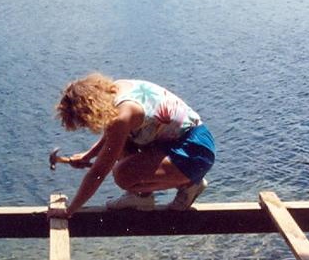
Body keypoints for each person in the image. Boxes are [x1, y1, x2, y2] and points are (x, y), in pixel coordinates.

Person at [50, 74, 215, 217]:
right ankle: (142, 197)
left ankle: (189, 185)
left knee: (122, 174)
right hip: (188, 141)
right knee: (124, 145)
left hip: (195, 152)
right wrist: (89, 155)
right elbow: (113, 134)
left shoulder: (123, 117)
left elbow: (98, 172)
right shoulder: (118, 88)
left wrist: (69, 211)